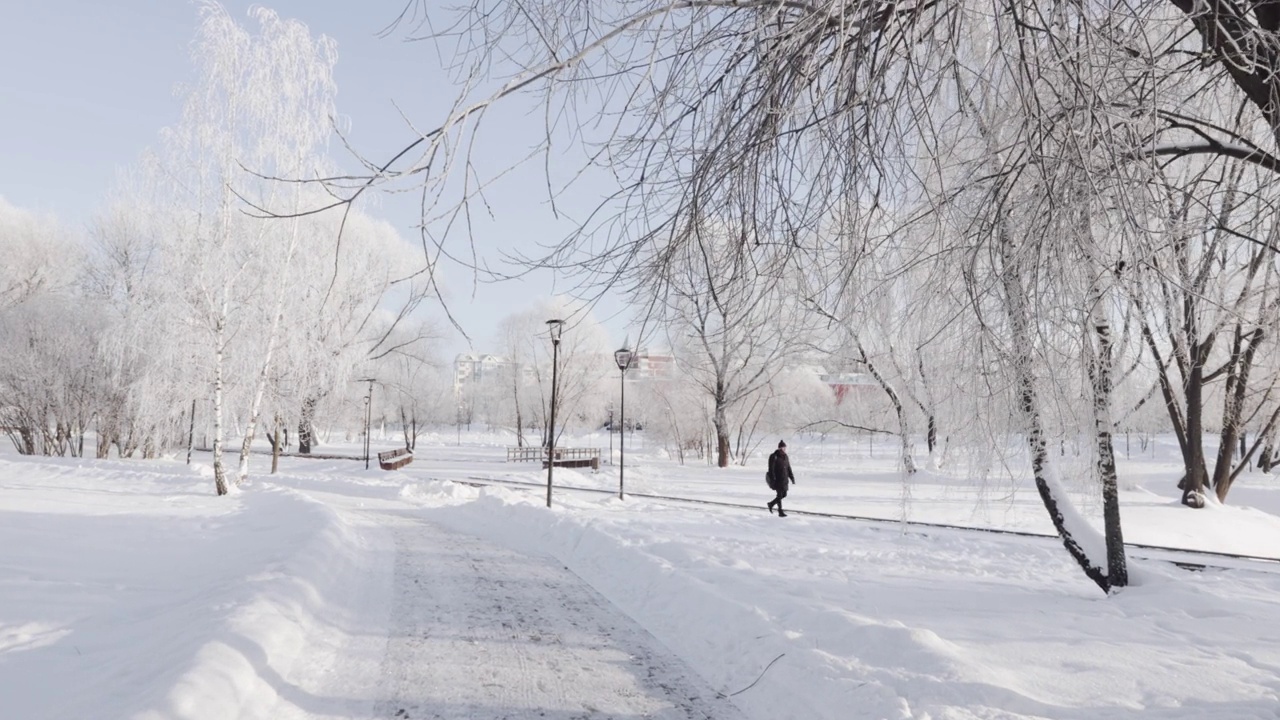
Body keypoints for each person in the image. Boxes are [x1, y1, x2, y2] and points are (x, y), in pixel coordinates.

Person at [766, 440, 795, 517]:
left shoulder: (785, 456)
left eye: (785, 447)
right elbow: (771, 469)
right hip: (777, 479)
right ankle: (780, 511)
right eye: (783, 447)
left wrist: (791, 477)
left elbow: (788, 467)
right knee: (779, 495)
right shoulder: (774, 456)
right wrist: (773, 479)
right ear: (779, 448)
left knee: (784, 494)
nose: (784, 449)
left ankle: (771, 504)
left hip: (784, 479)